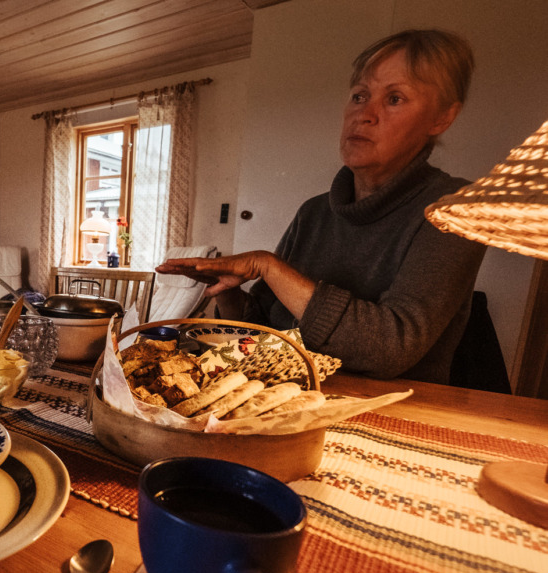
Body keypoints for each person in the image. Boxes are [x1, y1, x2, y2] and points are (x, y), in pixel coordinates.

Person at [157, 29, 486, 384]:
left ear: (442, 118)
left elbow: (392, 349)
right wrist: (229, 293)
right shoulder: (314, 213)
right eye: (360, 96)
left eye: (394, 99)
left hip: (396, 416)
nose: (366, 114)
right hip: (290, 402)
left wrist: (268, 266)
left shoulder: (456, 210)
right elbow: (264, 331)